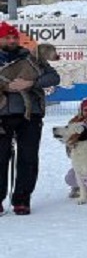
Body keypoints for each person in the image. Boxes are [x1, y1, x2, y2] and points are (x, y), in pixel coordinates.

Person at [0, 22, 60, 215]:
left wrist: (31, 82)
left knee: (28, 158)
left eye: (14, 37)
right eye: (7, 37)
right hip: (2, 115)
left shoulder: (31, 57)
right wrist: (8, 87)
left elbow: (54, 77)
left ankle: (22, 199)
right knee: (0, 158)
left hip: (30, 115)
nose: (11, 40)